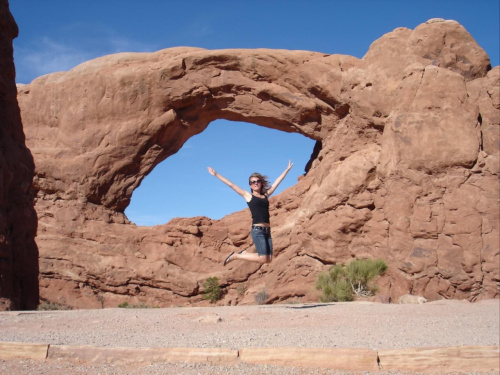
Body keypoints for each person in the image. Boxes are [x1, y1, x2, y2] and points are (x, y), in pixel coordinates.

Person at [207, 161, 293, 266]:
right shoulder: (248, 196)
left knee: (269, 259)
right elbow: (231, 185)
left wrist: (287, 170)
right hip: (258, 230)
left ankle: (243, 253)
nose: (255, 183)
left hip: (267, 230)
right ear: (250, 185)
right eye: (252, 182)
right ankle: (236, 256)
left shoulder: (266, 195)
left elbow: (276, 183)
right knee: (262, 258)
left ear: (261, 183)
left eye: (257, 181)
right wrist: (216, 174)